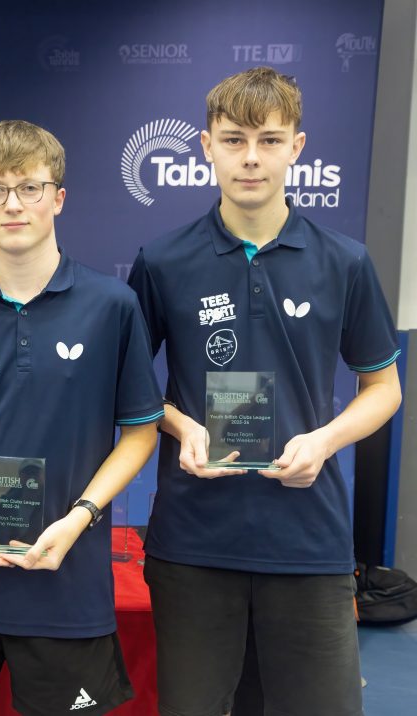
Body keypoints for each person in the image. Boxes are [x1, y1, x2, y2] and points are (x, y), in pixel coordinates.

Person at [127, 66, 402, 716]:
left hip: (309, 541)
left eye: (270, 140)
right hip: (194, 541)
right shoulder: (162, 262)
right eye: (234, 140)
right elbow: (128, 390)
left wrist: (325, 440)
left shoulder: (344, 261)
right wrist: (182, 427)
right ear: (206, 146)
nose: (251, 158)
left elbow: (384, 388)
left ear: (296, 147)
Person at [0, 119, 163, 716]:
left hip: (67, 578)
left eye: (29, 187)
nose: (13, 204)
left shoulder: (112, 306)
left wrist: (81, 516)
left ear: (58, 198)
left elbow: (140, 432)